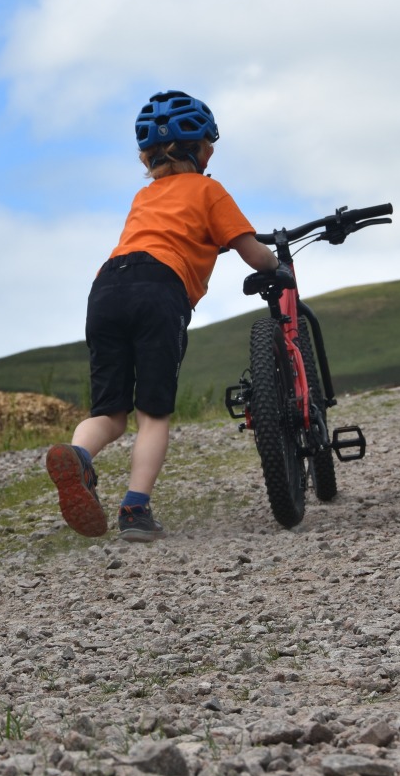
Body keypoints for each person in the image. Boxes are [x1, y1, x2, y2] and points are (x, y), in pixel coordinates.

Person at [46, 90, 281, 542]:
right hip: (160, 288)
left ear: (146, 157)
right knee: (152, 414)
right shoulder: (209, 189)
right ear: (203, 150)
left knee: (110, 412)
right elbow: (252, 253)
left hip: (106, 288)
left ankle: (77, 455)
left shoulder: (144, 196)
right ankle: (135, 511)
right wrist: (278, 267)